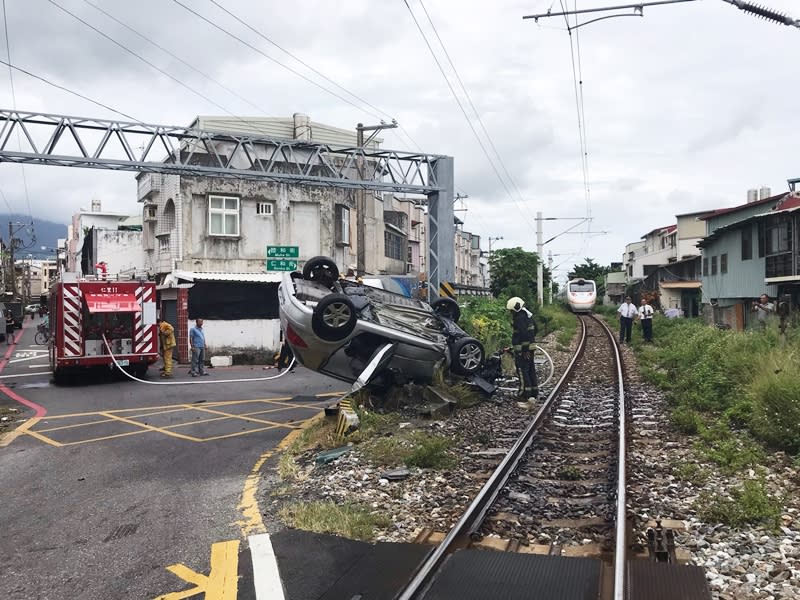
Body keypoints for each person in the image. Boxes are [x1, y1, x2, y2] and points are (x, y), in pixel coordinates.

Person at [507, 296, 538, 409]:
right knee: (531, 370)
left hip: (523, 350)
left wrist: (525, 350)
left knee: (522, 371)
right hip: (531, 347)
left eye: (511, 311)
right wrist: (530, 346)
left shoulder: (519, 318)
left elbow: (524, 334)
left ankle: (525, 395)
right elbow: (536, 329)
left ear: (515, 309)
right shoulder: (528, 315)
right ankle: (534, 393)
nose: (511, 313)